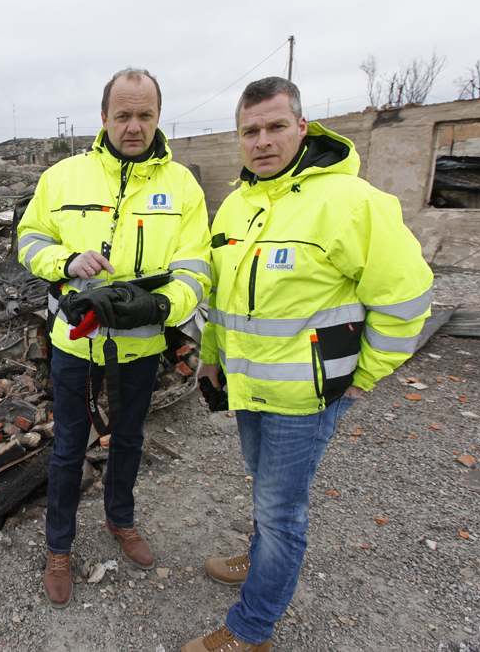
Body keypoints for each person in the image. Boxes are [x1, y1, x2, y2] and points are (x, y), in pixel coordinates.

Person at [185, 77, 434, 652]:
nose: (263, 141)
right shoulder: (240, 205)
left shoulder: (352, 204)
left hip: (307, 401)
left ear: (303, 127)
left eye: (276, 126)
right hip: (248, 392)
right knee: (265, 495)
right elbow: (223, 302)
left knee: (281, 513)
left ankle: (252, 630)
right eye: (251, 131)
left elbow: (407, 301)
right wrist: (211, 361)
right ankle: (259, 559)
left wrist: (362, 376)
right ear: (239, 138)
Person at [17, 67, 212, 609]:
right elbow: (29, 240)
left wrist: (165, 304)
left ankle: (120, 520)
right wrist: (65, 261)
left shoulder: (182, 186)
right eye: (123, 115)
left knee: (128, 439)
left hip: (143, 345)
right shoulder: (62, 178)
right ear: (103, 118)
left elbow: (198, 266)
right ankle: (59, 548)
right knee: (69, 447)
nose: (134, 126)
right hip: (76, 344)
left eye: (144, 115)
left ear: (157, 117)